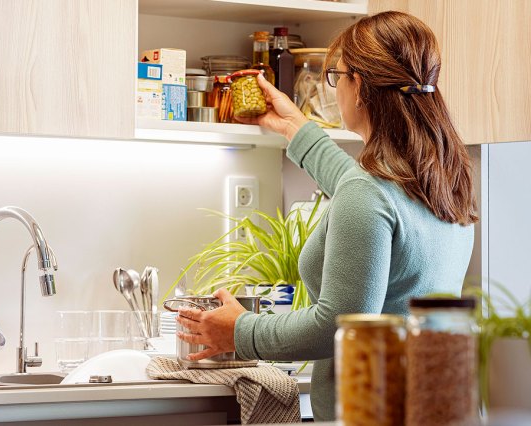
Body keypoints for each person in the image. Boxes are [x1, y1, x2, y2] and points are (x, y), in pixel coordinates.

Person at [176, 11, 477, 422]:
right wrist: (293, 127)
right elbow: (358, 187)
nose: (333, 90)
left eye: (336, 76)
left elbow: (335, 324)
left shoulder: (370, 191)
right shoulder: (443, 179)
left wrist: (240, 330)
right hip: (437, 402)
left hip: (371, 411)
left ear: (361, 86)